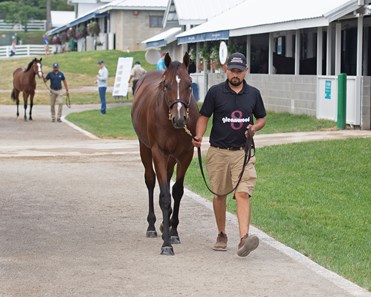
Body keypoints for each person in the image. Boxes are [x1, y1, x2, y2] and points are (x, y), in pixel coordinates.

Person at [192, 52, 266, 257]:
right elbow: (204, 116)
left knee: (242, 193)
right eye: (232, 70)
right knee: (219, 194)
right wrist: (198, 136)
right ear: (225, 69)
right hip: (218, 152)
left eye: (239, 71)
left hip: (243, 153)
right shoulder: (215, 92)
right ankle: (222, 234)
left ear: (245, 71)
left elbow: (262, 118)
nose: (235, 74)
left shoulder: (253, 94)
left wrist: (254, 128)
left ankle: (244, 239)